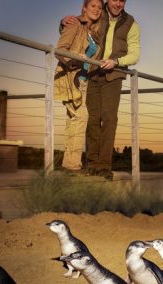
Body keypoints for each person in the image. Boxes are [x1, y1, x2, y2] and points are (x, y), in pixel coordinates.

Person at [62, 0, 141, 180]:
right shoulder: (98, 12)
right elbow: (80, 29)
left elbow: (135, 54)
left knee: (109, 118)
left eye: (122, 0)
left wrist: (116, 61)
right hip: (92, 72)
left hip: (114, 75)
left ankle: (104, 165)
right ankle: (91, 163)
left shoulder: (131, 24)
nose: (118, 4)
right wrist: (63, 22)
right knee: (92, 118)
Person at [54, 0, 104, 174]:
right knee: (81, 117)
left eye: (99, 7)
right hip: (70, 78)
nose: (96, 10)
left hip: (84, 82)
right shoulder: (74, 23)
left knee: (74, 121)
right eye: (93, 6)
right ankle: (72, 166)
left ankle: (69, 164)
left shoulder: (92, 32)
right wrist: (77, 59)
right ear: (84, 8)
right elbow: (60, 50)